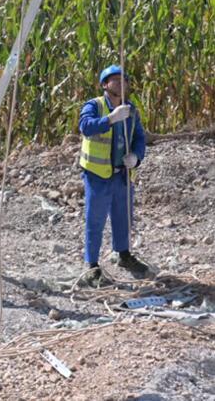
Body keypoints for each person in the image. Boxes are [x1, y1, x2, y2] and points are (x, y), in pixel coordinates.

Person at [78, 64, 148, 288]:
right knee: (95, 220)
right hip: (98, 175)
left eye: (124, 80)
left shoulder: (131, 110)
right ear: (105, 85)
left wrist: (136, 156)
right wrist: (110, 119)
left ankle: (124, 254)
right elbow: (85, 127)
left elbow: (139, 137)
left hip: (122, 174)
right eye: (115, 80)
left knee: (123, 217)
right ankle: (92, 266)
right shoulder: (95, 106)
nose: (121, 83)